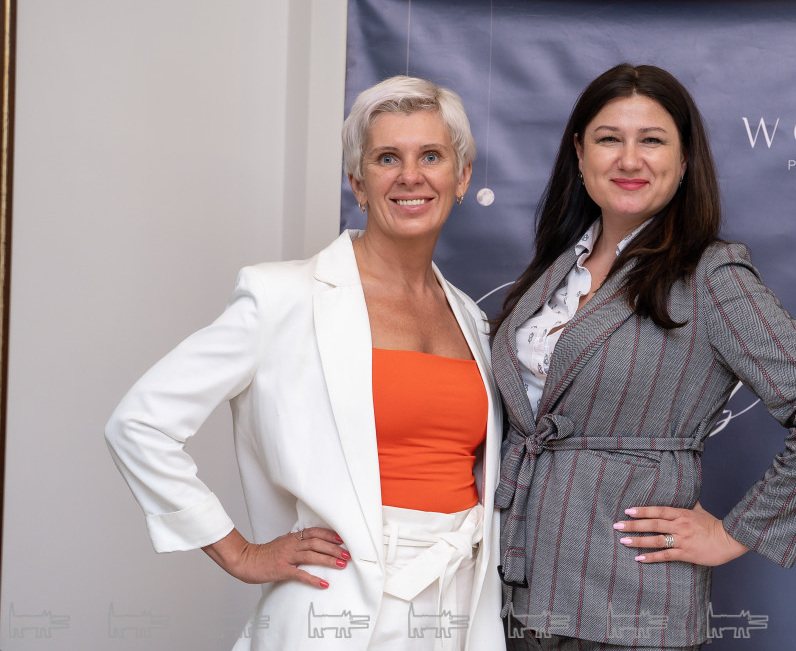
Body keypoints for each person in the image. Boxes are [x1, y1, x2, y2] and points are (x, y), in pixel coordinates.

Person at [105, 76, 504, 650]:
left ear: (461, 177)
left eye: (431, 156)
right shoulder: (282, 297)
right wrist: (239, 553)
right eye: (387, 157)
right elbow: (139, 424)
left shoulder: (472, 318)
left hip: (458, 610)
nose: (410, 176)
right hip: (337, 605)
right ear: (357, 181)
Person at [490, 63, 796, 650]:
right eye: (609, 139)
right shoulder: (558, 268)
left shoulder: (710, 275)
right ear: (580, 153)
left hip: (630, 606)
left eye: (651, 140)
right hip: (518, 595)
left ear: (685, 158)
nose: (629, 159)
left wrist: (733, 533)